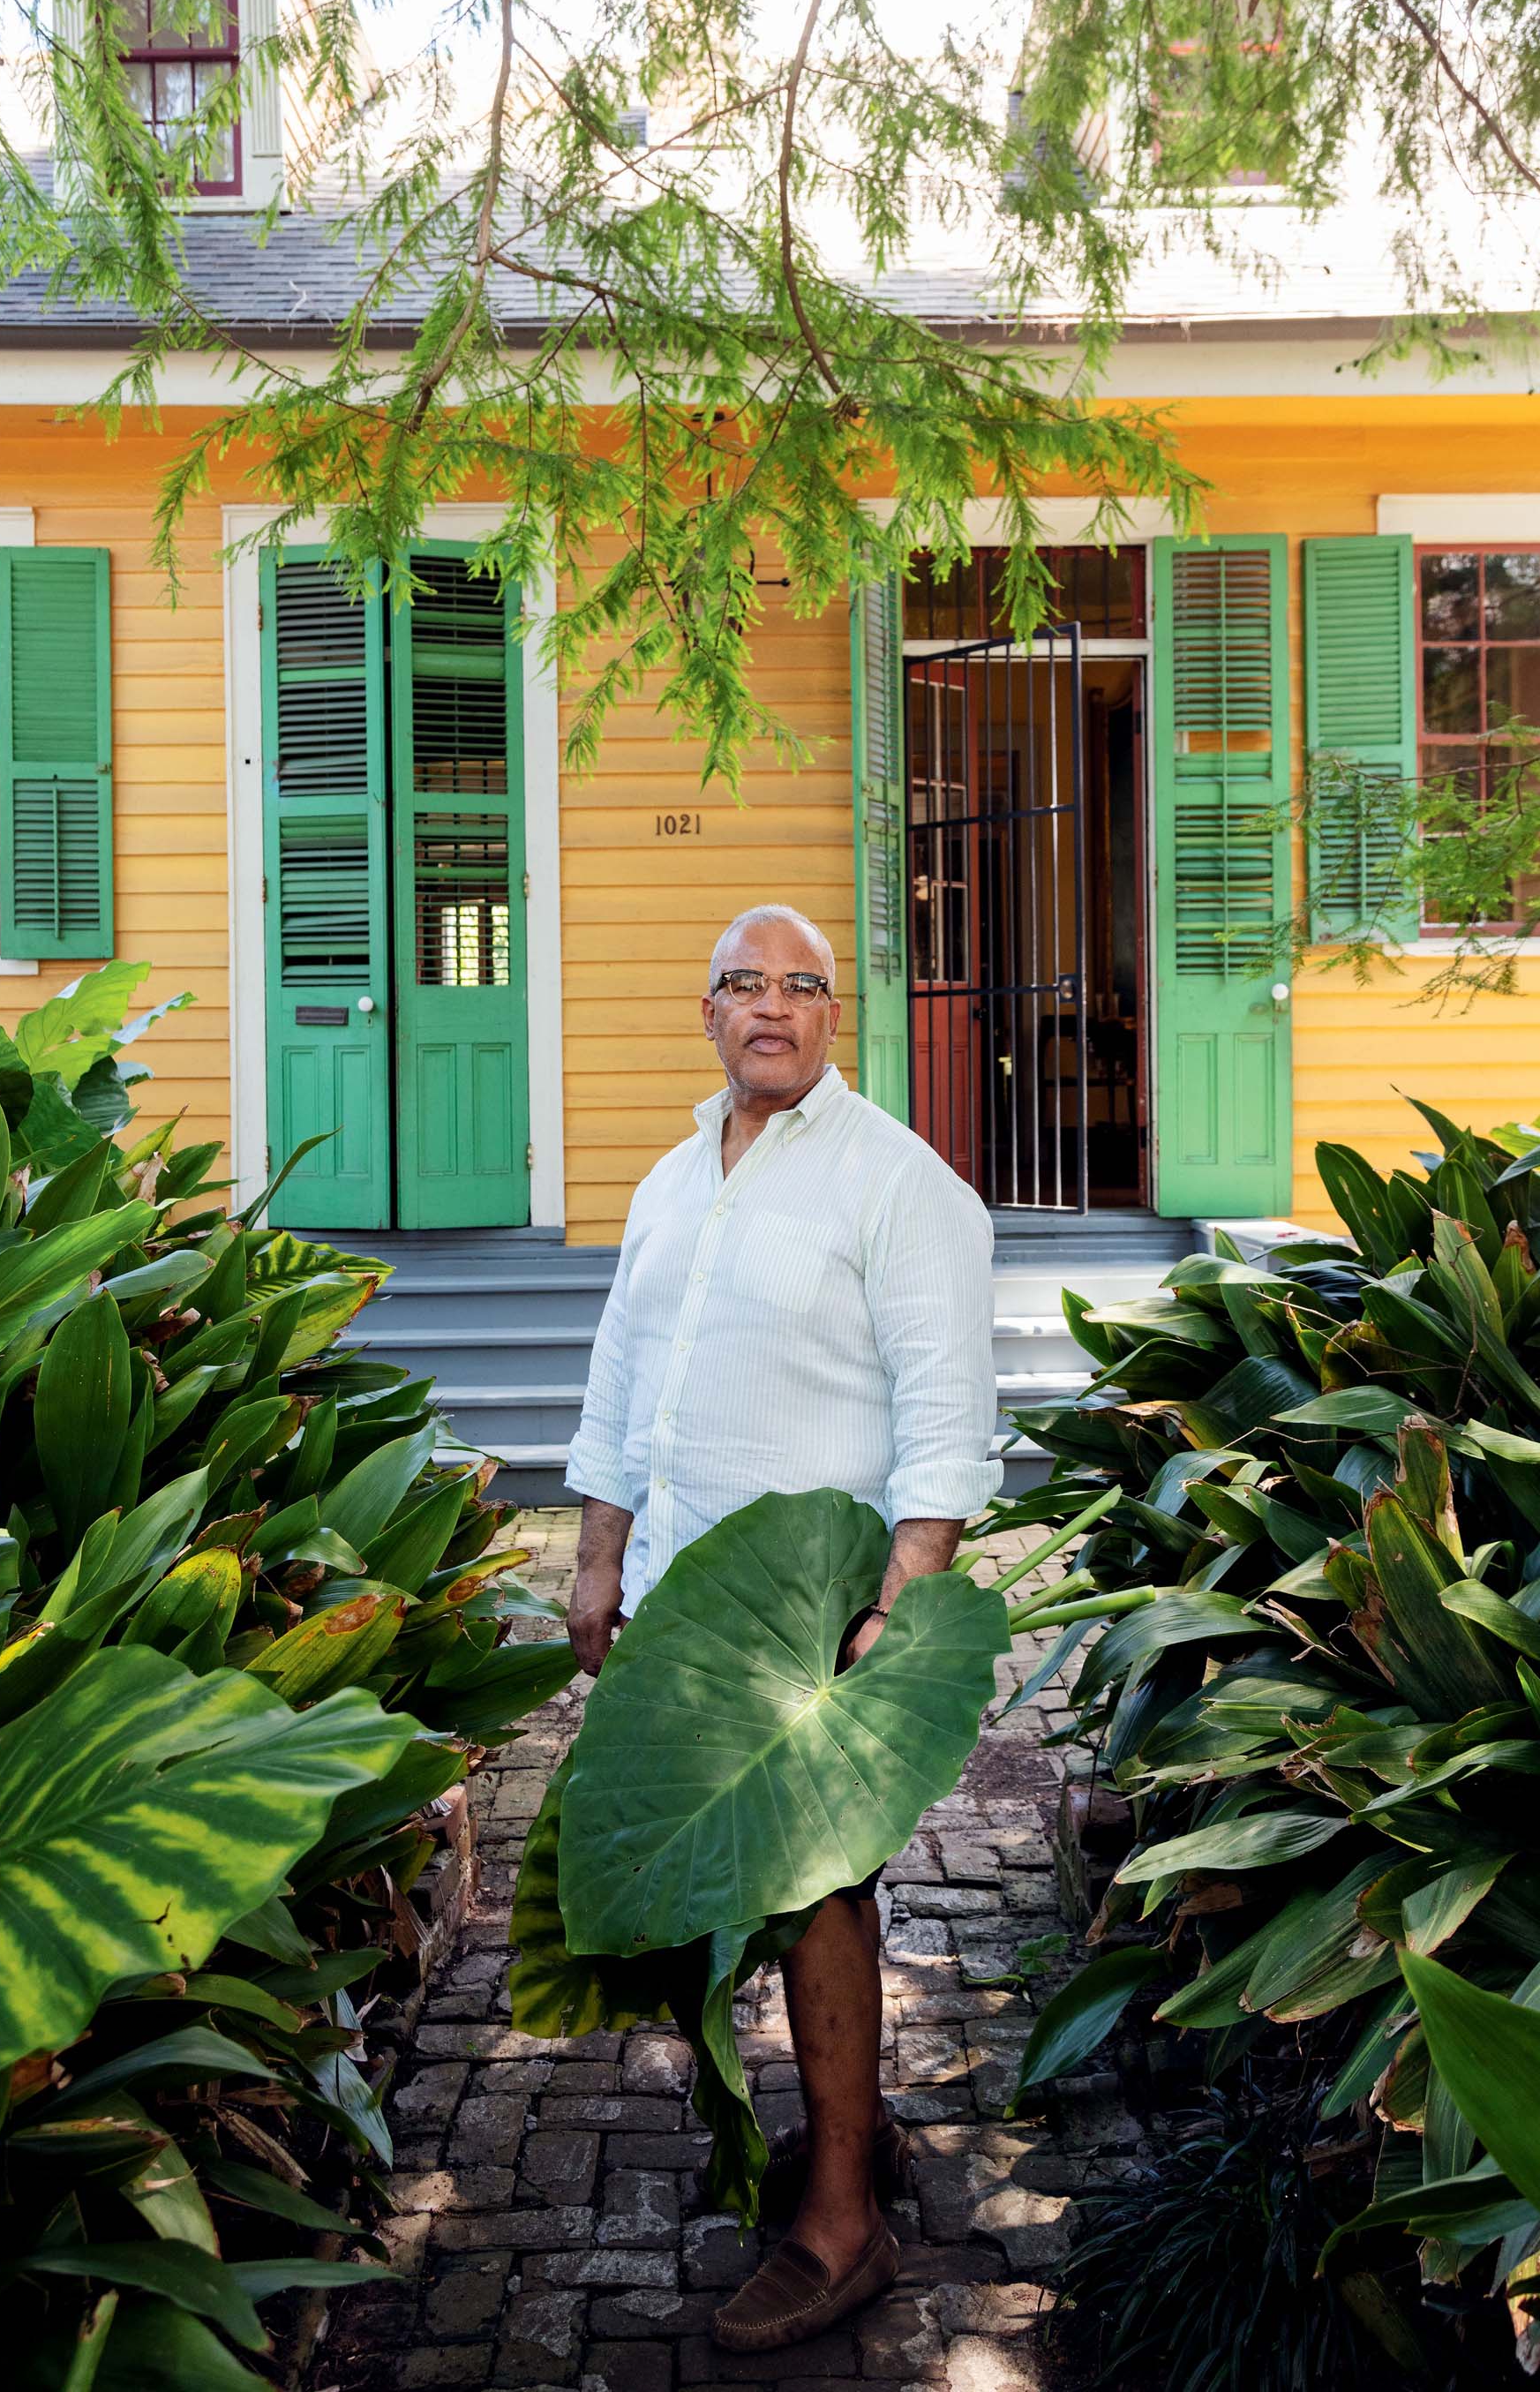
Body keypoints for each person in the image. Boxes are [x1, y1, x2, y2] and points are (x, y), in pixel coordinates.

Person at [562, 901, 999, 2356]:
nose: (769, 1007)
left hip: (819, 1617)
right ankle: (844, 2138)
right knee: (741, 1883)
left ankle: (841, 2224)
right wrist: (597, 1556)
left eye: (799, 986)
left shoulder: (901, 1185)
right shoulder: (679, 1177)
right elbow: (626, 1375)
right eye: (741, 984)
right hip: (692, 1605)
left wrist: (901, 1604)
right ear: (707, 1013)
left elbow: (947, 1416)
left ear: (833, 1016)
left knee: (818, 1886)